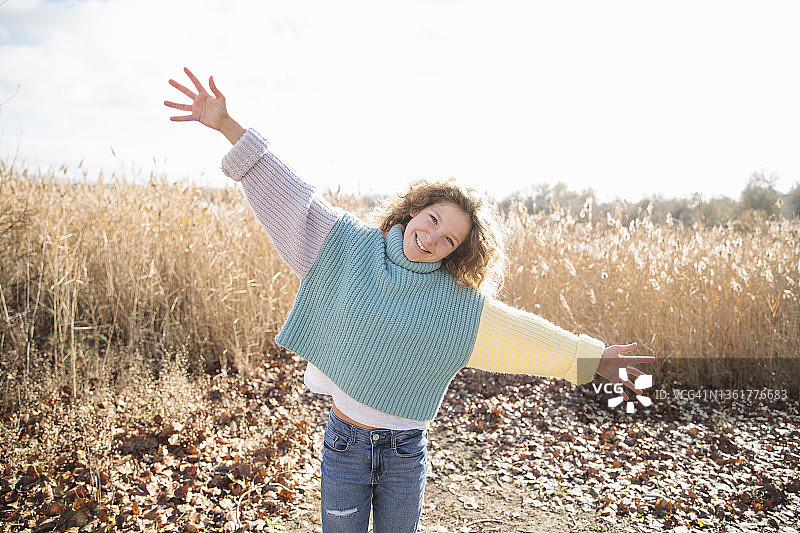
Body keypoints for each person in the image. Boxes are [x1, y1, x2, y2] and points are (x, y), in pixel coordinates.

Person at [165, 67, 654, 533]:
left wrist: (592, 357)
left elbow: (524, 336)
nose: (434, 237)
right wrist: (227, 126)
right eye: (433, 220)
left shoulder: (456, 306)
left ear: (457, 253)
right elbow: (293, 197)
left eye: (450, 239)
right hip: (344, 444)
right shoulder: (346, 247)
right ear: (415, 210)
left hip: (404, 454)